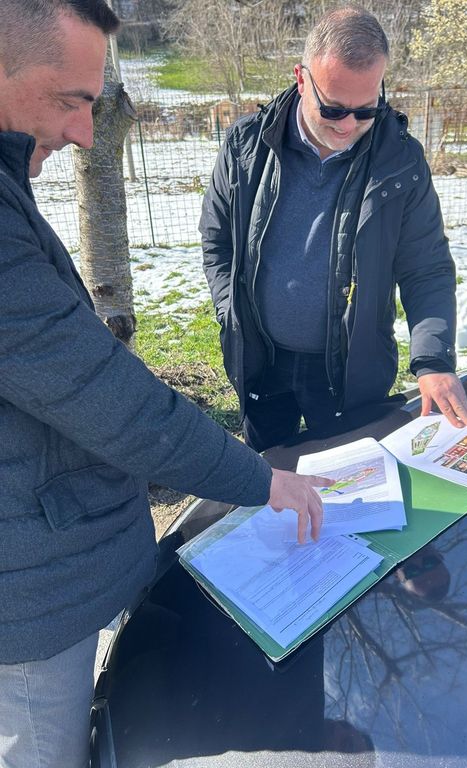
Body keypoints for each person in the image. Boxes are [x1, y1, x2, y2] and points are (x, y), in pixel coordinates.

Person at [0, 2, 330, 766]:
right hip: (29, 606)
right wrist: (257, 480)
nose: (86, 132)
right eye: (70, 100)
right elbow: (102, 395)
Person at [200, 6, 467, 453]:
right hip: (261, 360)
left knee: (355, 480)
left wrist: (433, 360)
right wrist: (231, 313)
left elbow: (426, 268)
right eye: (332, 108)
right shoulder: (246, 147)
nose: (348, 126)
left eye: (366, 111)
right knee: (270, 476)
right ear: (301, 78)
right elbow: (217, 243)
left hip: (351, 372)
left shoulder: (400, 161)